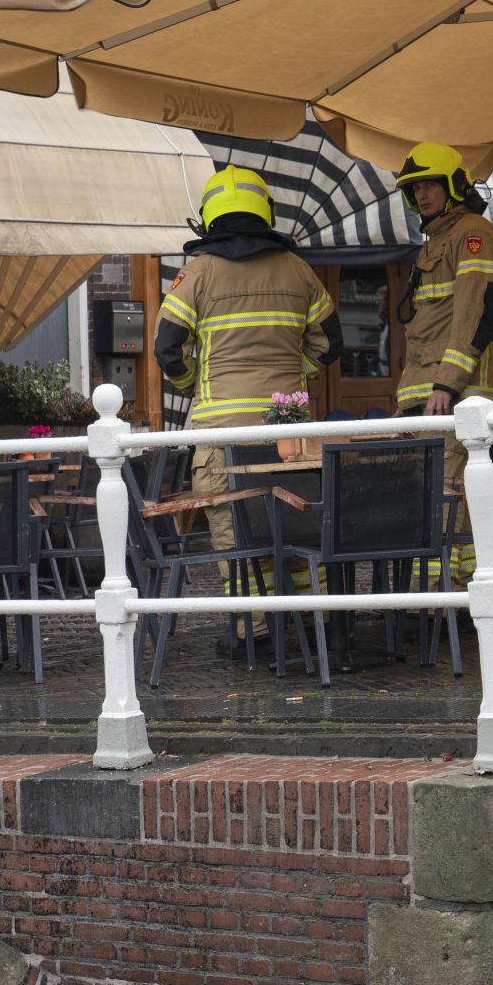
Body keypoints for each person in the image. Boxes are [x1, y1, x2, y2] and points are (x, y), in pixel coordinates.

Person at [154, 164, 335, 651]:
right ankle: (302, 627)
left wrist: (198, 385)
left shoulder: (197, 273)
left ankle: (252, 633)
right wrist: (295, 383)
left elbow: (167, 349)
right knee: (294, 526)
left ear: (210, 217)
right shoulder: (299, 269)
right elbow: (330, 342)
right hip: (289, 429)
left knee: (234, 533)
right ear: (265, 212)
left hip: (221, 431)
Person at [392, 142, 493, 578]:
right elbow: (424, 326)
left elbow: (476, 310)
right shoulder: (436, 240)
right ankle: (451, 592)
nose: (422, 195)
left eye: (431, 185)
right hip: (428, 393)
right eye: (415, 188)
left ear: (454, 186)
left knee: (447, 492)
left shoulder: (472, 232)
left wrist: (448, 383)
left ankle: (442, 595)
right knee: (439, 493)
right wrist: (407, 395)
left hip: (456, 394)